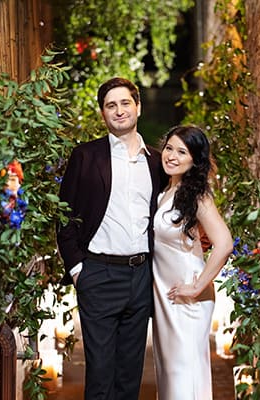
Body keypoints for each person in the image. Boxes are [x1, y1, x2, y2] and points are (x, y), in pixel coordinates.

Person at [56, 77, 167, 400]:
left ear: (138, 107)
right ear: (103, 113)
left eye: (125, 103)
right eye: (111, 105)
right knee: (101, 373)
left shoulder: (157, 161)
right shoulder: (86, 156)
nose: (119, 111)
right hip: (99, 275)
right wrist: (78, 269)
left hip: (141, 276)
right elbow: (65, 216)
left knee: (130, 374)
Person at [152, 125, 234, 400]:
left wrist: (197, 287)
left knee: (182, 375)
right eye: (169, 148)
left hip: (187, 296)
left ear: (194, 160)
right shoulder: (167, 192)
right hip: (166, 295)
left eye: (182, 151)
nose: (172, 156)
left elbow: (224, 243)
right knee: (170, 374)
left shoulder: (197, 195)